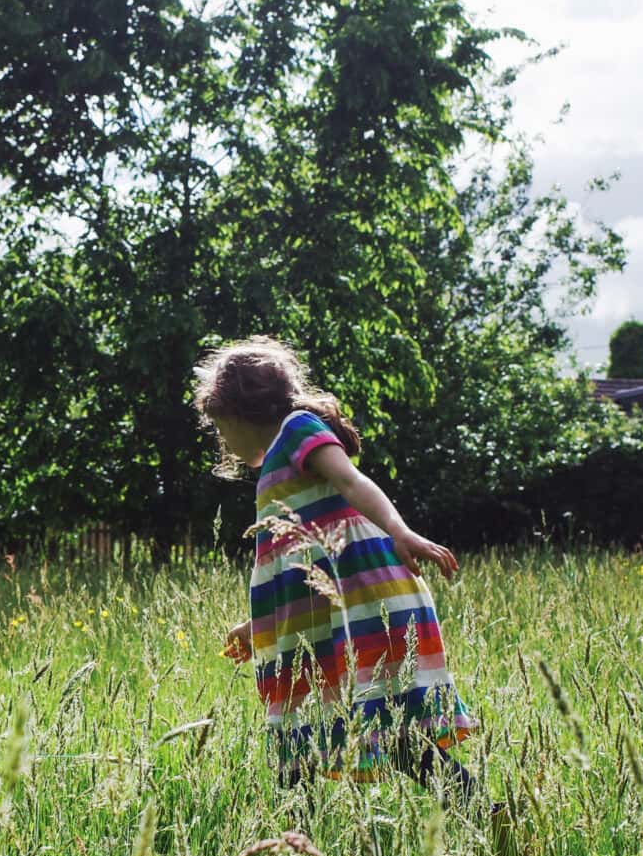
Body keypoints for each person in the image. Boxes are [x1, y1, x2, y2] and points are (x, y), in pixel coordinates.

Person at [194, 336, 481, 795]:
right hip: (329, 620)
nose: (220, 437)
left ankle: (296, 849)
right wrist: (260, 626)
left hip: (363, 611)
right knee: (351, 735)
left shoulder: (297, 430)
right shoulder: (277, 470)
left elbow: (351, 479)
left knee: (371, 733)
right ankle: (480, 814)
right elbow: (301, 569)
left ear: (238, 409)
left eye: (218, 424)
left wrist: (399, 531)